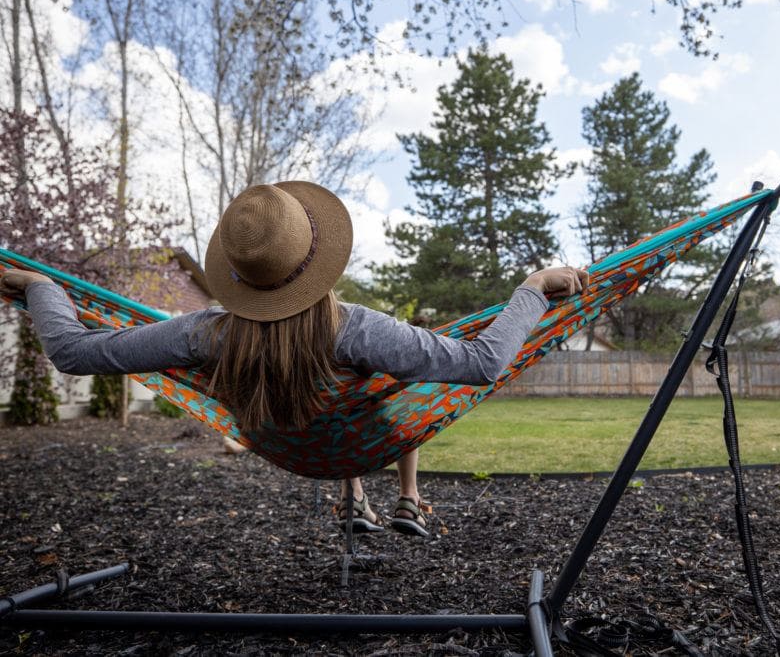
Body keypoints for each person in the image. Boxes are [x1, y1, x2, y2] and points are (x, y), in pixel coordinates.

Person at [0, 181, 589, 537]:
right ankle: (401, 497)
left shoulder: (203, 335)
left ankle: (354, 497)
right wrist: (533, 286)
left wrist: (38, 286)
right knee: (398, 393)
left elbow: (73, 352)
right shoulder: (355, 328)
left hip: (288, 449)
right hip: (362, 443)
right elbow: (483, 362)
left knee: (380, 395)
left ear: (236, 274)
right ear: (319, 257)